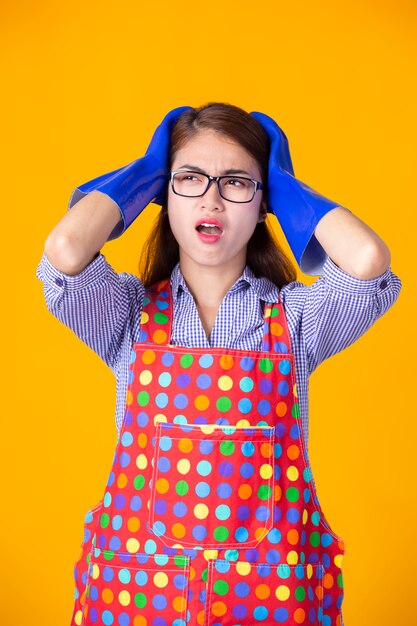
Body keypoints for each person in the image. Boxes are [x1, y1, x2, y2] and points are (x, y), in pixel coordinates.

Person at [37, 102, 401, 626]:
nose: (211, 198)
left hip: (267, 603)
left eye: (235, 183)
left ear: (264, 204)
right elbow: (66, 249)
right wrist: (144, 174)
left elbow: (367, 262)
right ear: (165, 195)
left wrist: (283, 186)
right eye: (189, 178)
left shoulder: (296, 323)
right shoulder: (126, 315)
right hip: (136, 600)